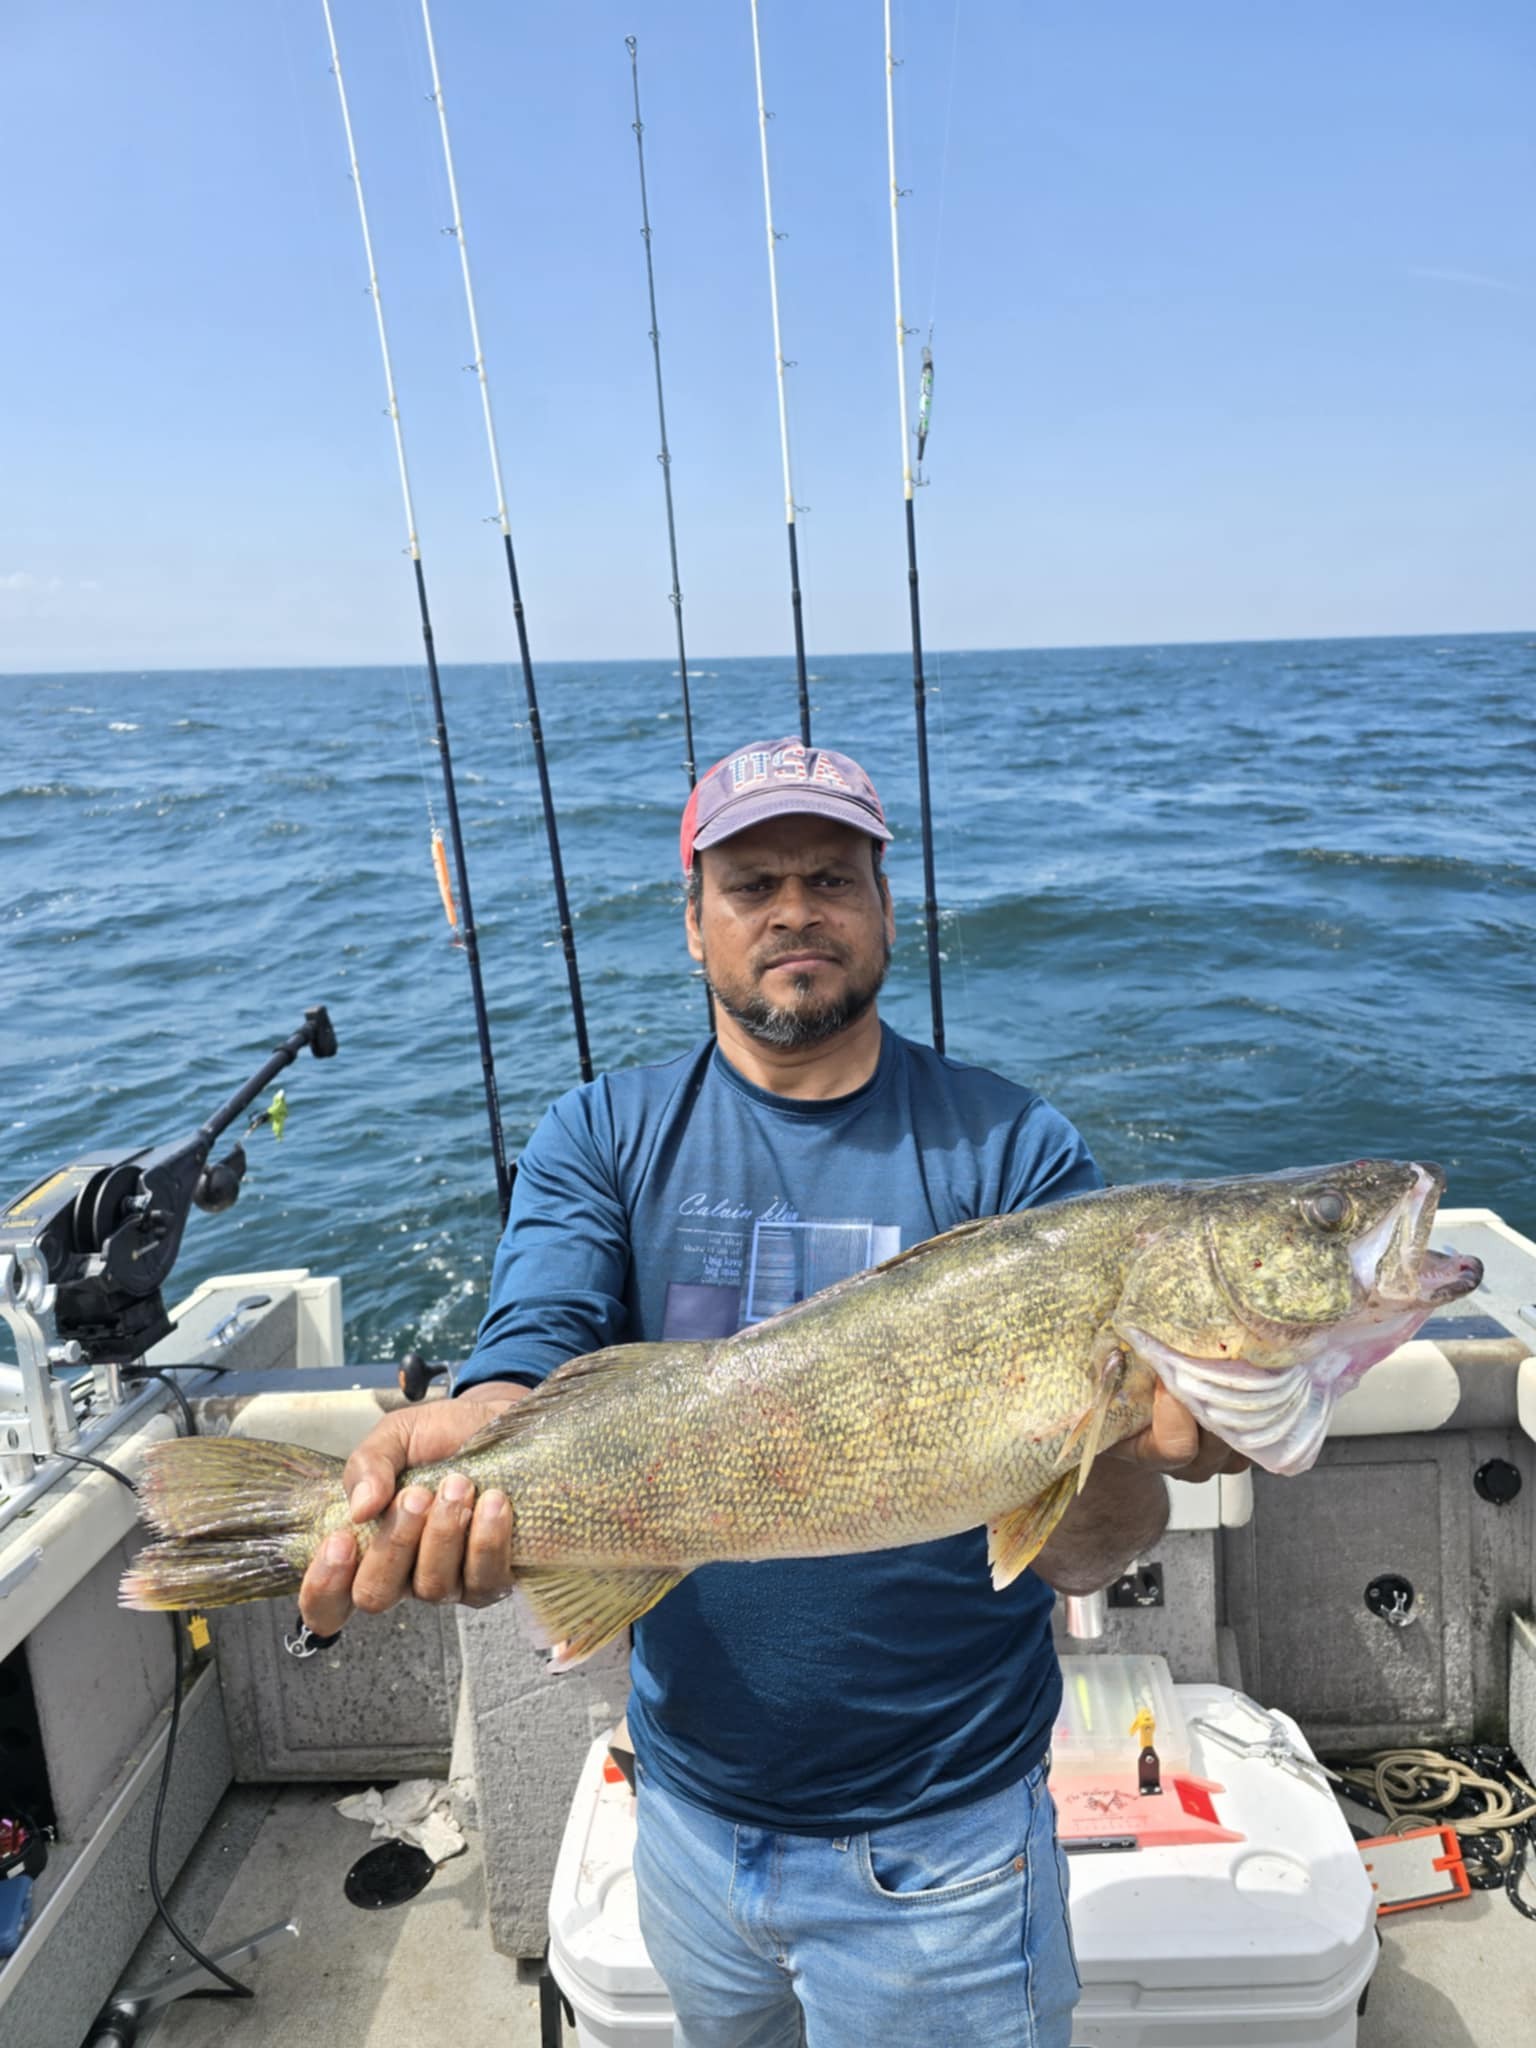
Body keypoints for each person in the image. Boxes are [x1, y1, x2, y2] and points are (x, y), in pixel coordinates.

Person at [299, 735, 1246, 2048]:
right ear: (694, 925)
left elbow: (1088, 1554)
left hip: (948, 1843)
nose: (795, 909)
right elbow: (530, 1350)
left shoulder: (1016, 1153)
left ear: (886, 911)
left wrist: (1125, 1444)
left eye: (832, 878)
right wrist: (474, 1435)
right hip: (686, 1820)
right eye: (751, 885)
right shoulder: (602, 1134)